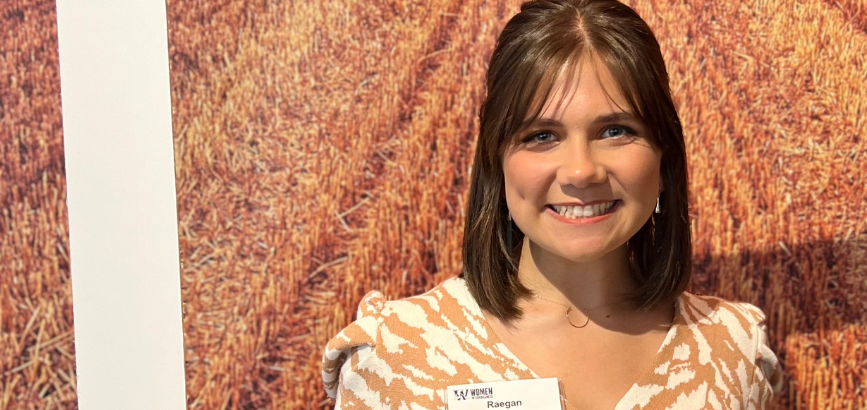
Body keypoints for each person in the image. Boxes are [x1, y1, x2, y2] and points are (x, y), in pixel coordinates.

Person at [321, 0, 782, 408]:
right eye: (542, 136)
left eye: (615, 131)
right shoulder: (397, 354)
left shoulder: (732, 350)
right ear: (496, 161)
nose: (581, 171)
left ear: (664, 157)